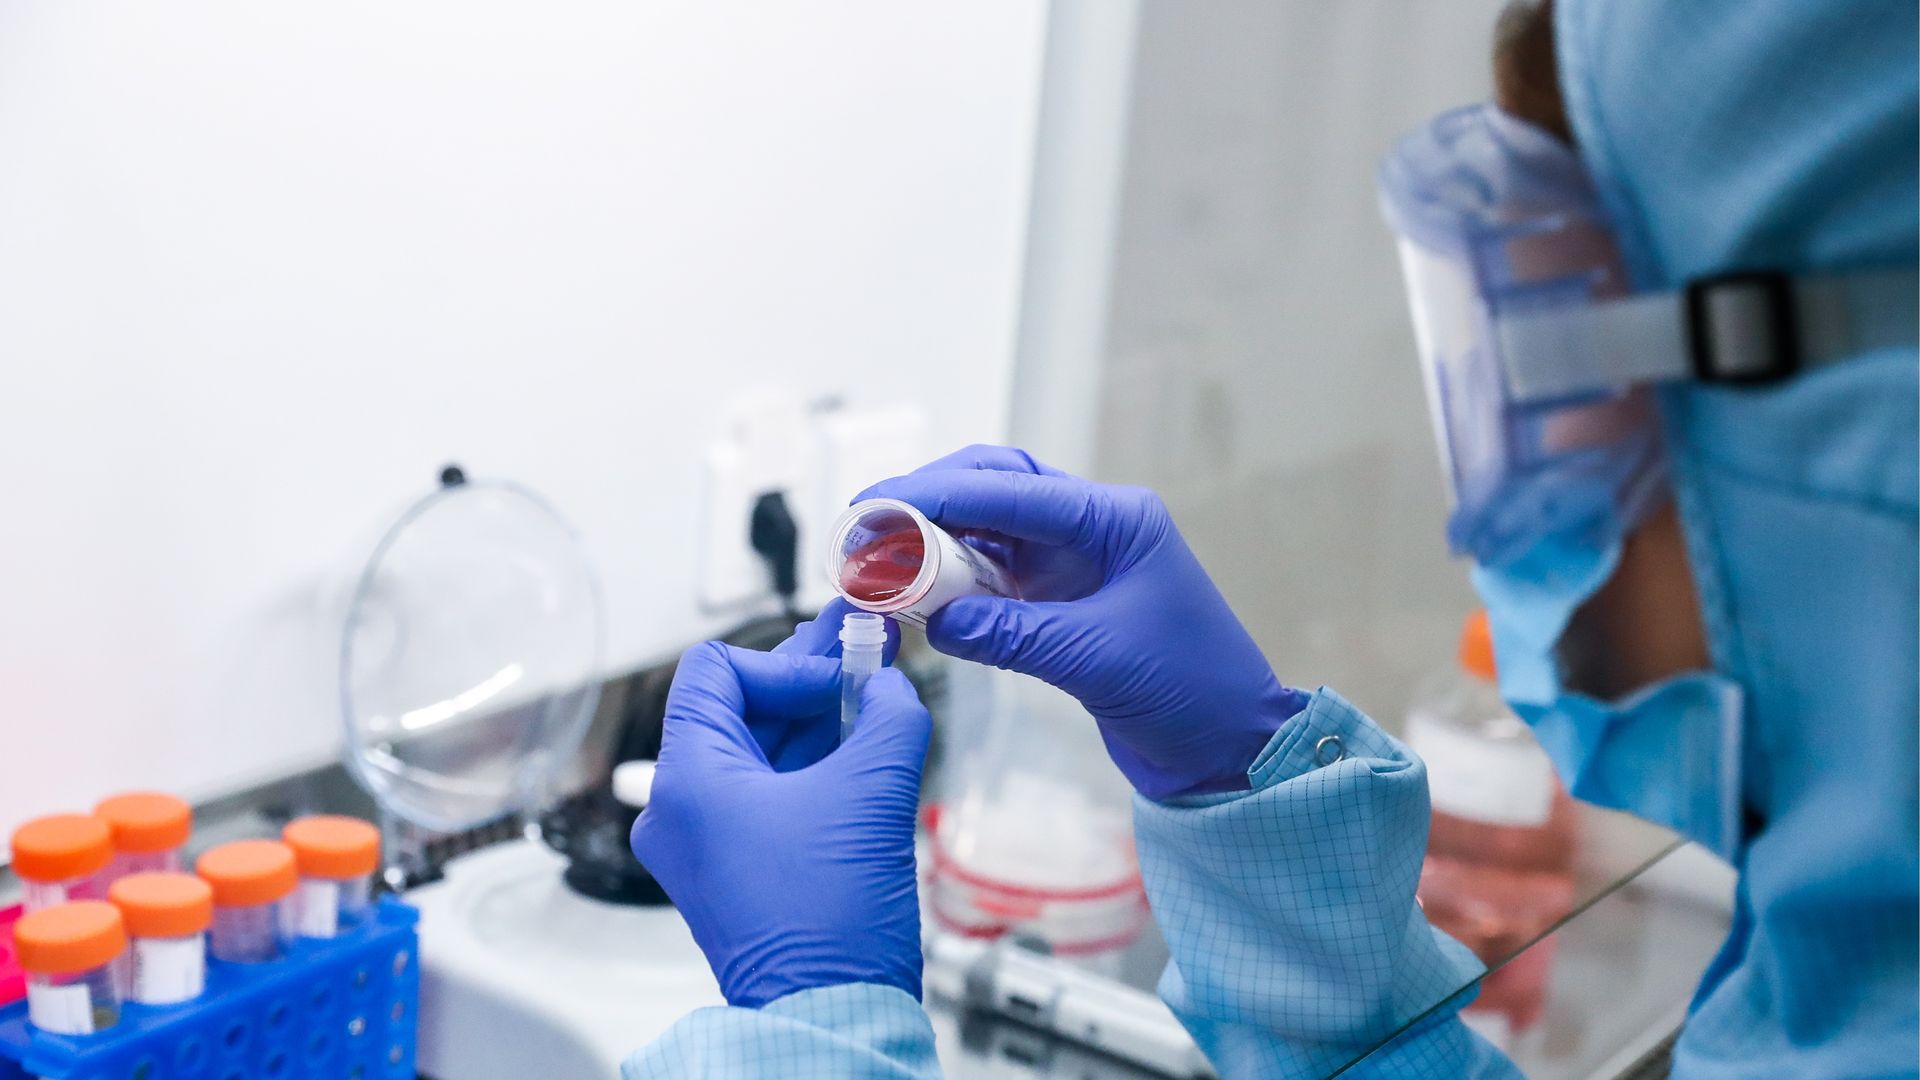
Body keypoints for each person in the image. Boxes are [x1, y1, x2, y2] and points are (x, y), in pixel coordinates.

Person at [624, 0, 1918, 1076]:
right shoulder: (1848, 986)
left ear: (1835, 441)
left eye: (1559, 368)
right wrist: (1252, 809)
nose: (1519, 510)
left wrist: (810, 1023)